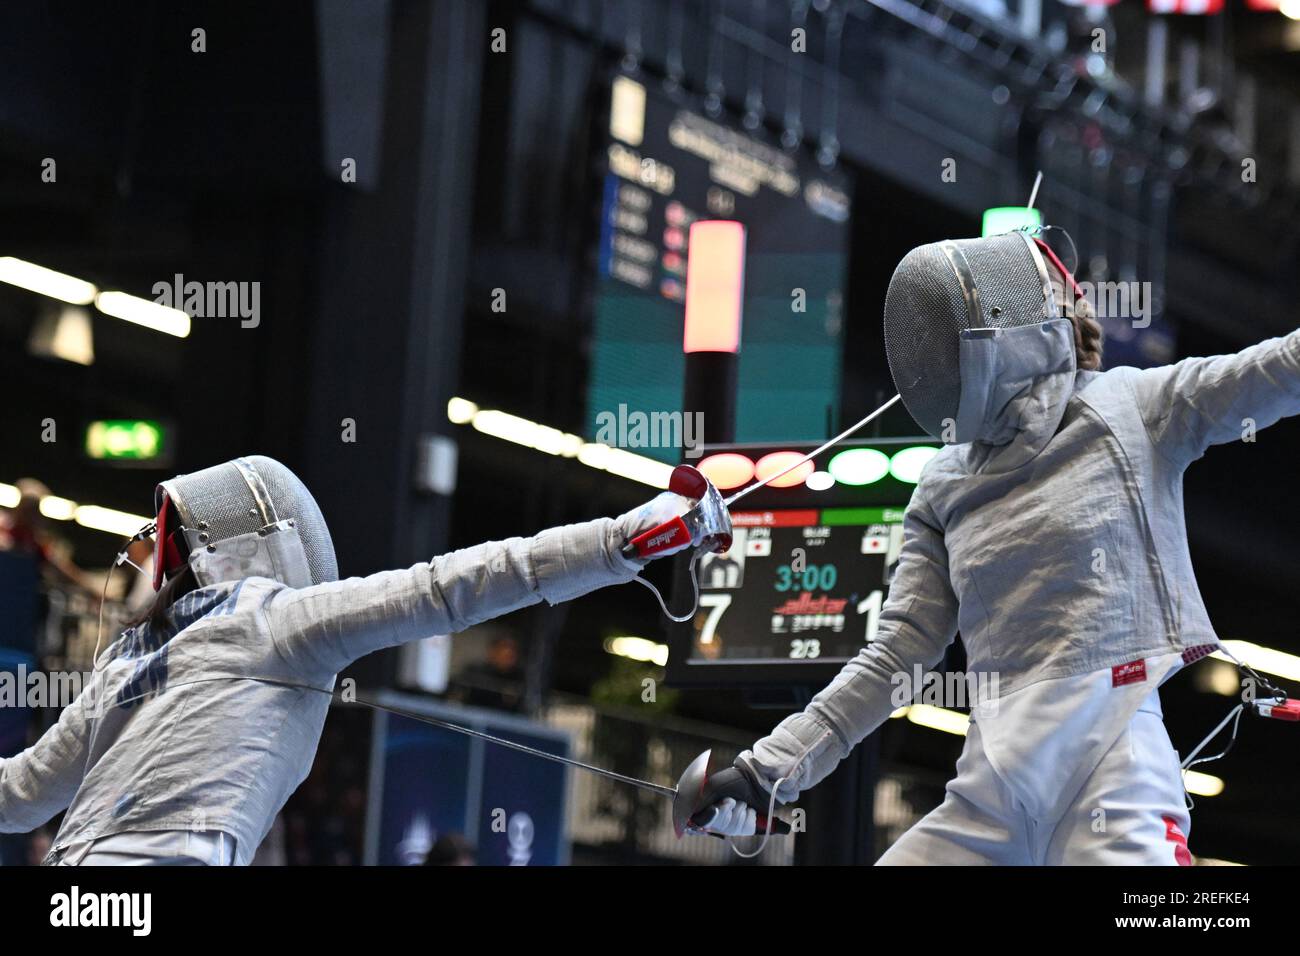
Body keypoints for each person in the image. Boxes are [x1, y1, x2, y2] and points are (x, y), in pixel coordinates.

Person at [690, 230, 1300, 865]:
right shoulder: (944, 484)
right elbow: (897, 653)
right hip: (994, 780)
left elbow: (1277, 370)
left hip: (1111, 764)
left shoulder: (1133, 408)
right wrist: (767, 772)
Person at [0, 455, 694, 865]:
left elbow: (20, 795)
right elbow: (448, 587)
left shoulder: (129, 652)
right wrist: (620, 542)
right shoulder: (272, 620)